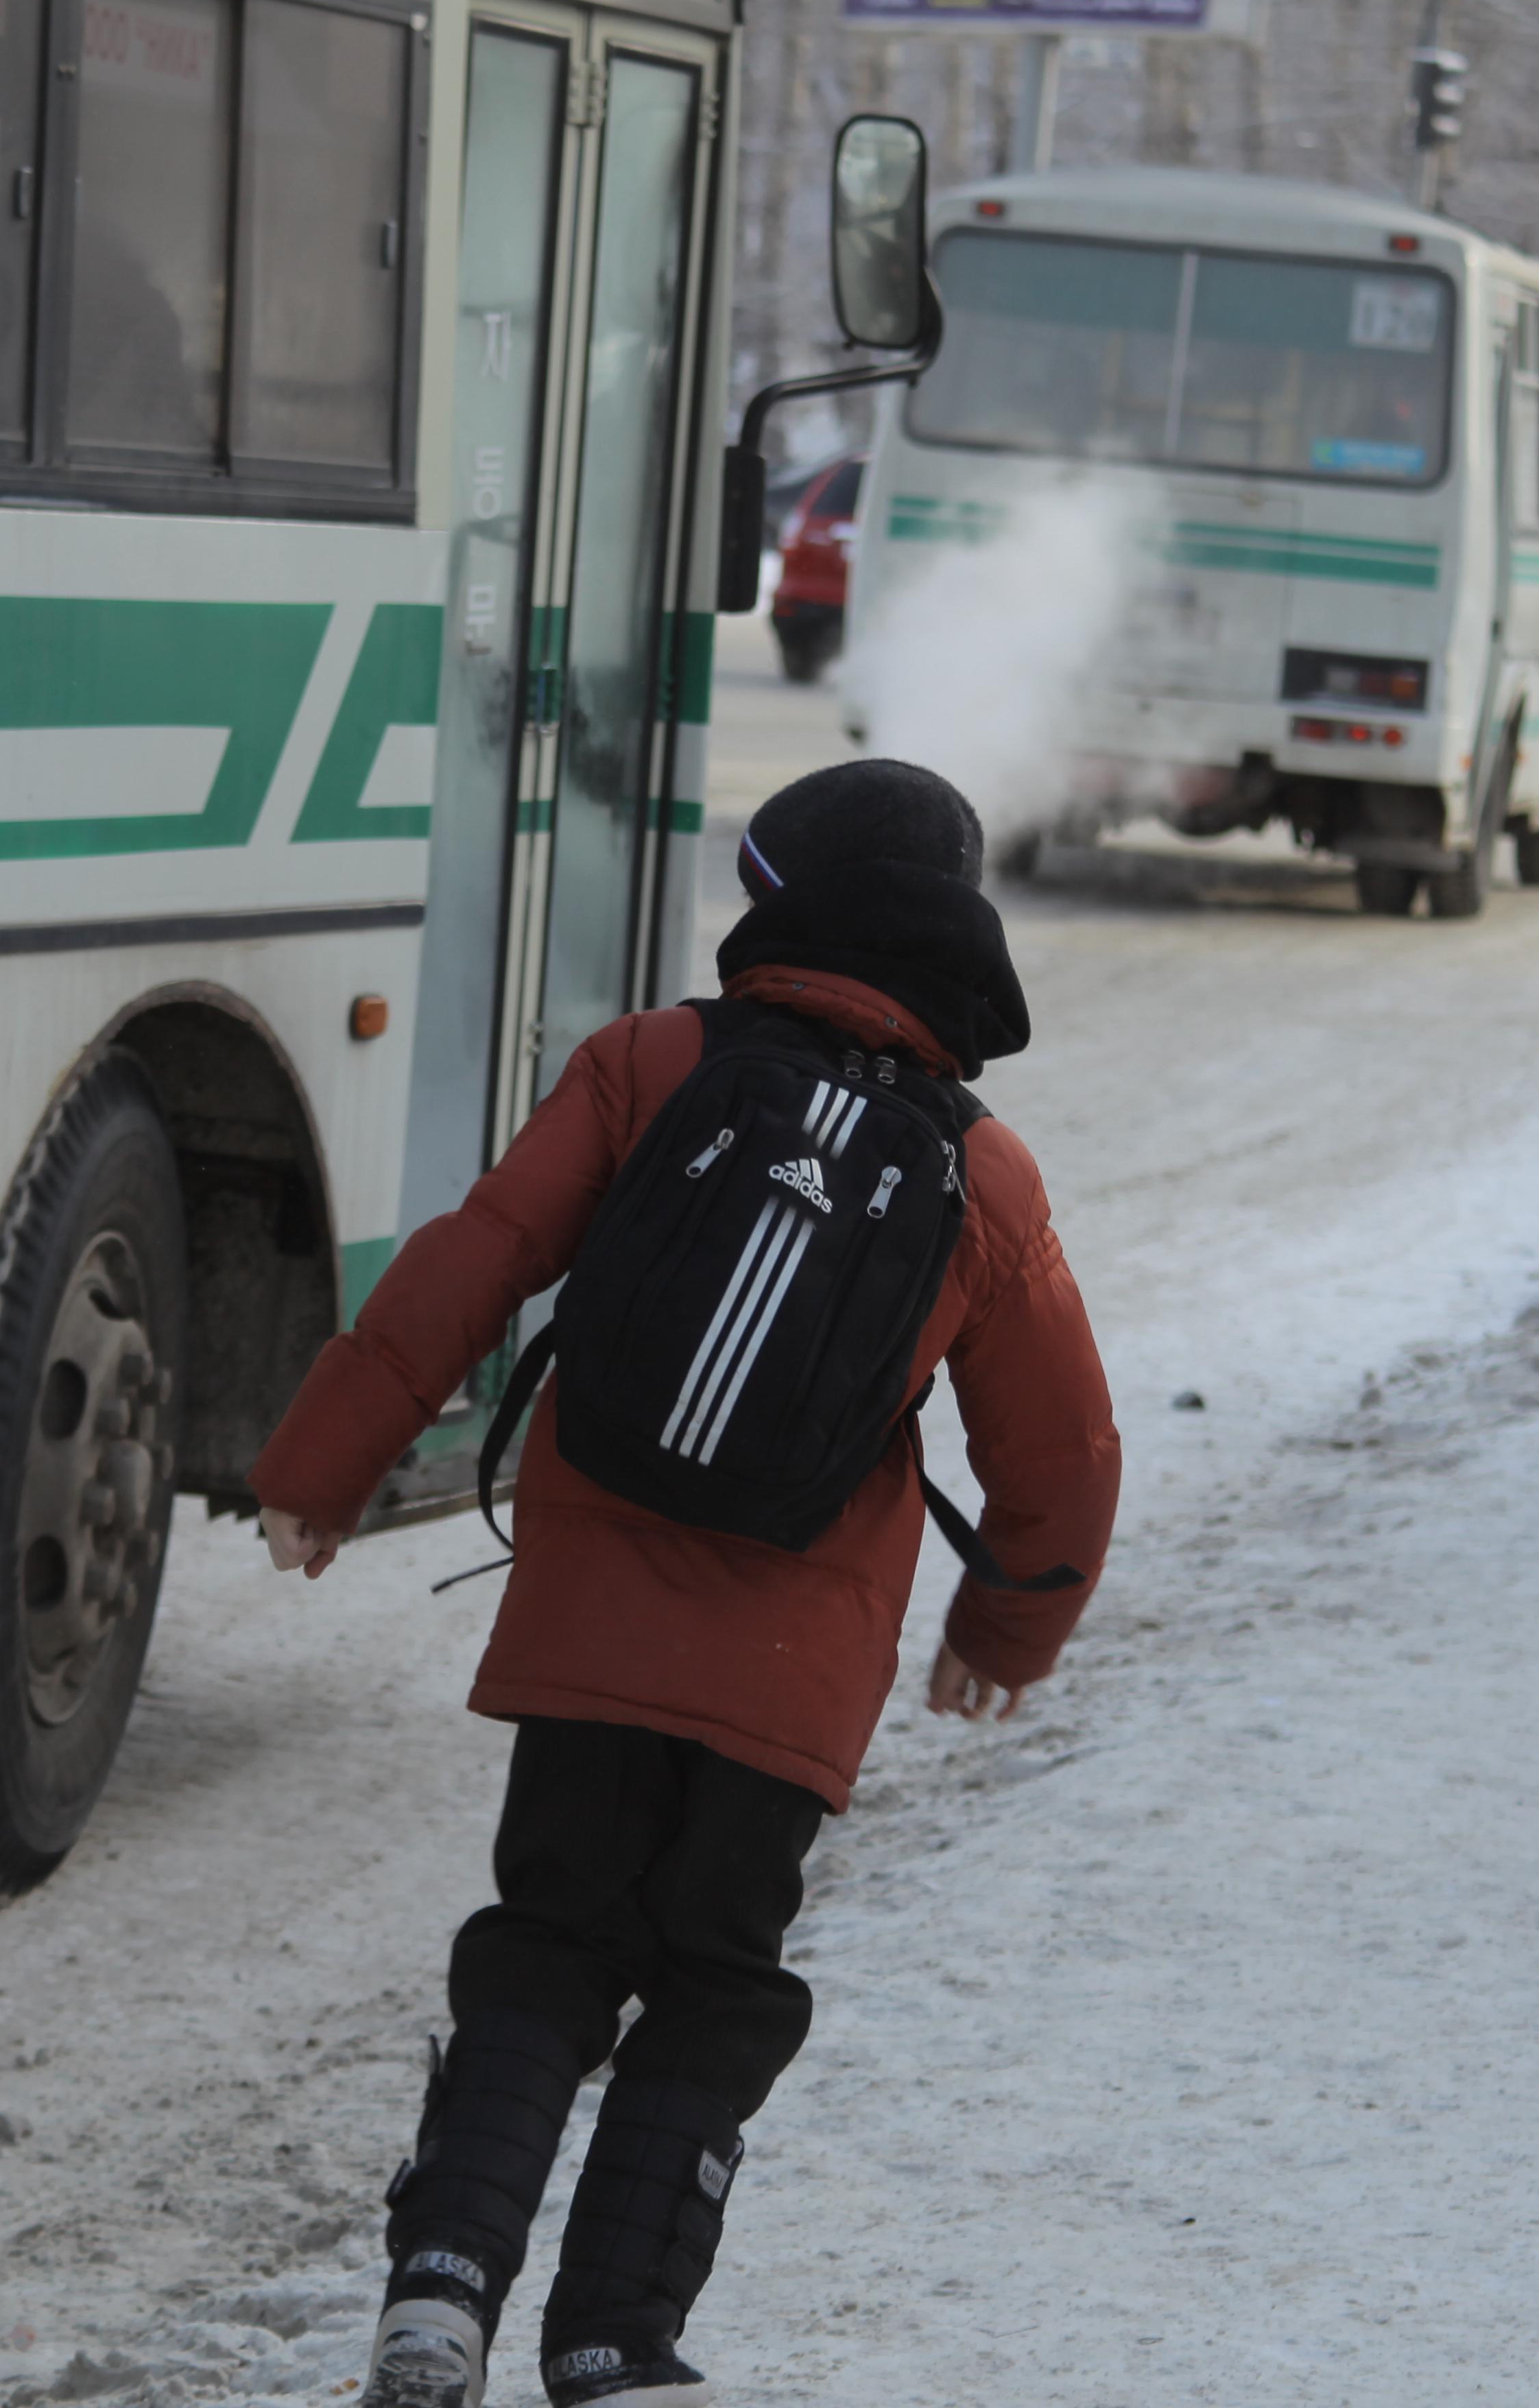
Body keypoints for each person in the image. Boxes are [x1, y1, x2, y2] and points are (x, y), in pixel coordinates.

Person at [246, 760, 1121, 2408]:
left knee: (548, 1943)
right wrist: (1009, 1625)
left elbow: (478, 1251)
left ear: (786, 910)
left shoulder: (651, 1062)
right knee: (713, 1984)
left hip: (588, 1635)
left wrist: (322, 1467)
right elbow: (1064, 1447)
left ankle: (442, 2292)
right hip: (795, 1670)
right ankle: (617, 2342)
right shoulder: (984, 1179)